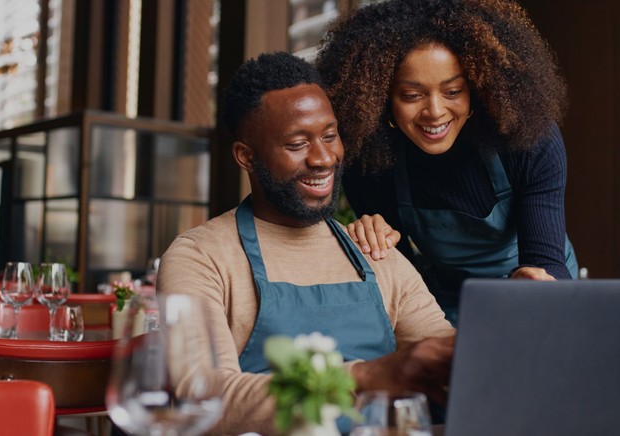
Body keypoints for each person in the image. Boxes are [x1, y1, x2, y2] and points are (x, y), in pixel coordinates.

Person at [156, 52, 454, 435]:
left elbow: (445, 357)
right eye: (298, 144)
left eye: (330, 135)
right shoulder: (199, 257)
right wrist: (365, 376)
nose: (324, 158)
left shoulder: (374, 249)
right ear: (246, 157)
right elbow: (203, 395)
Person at [315, 0, 578, 323]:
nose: (435, 112)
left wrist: (536, 282)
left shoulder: (528, 141)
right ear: (382, 98)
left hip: (535, 294)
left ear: (477, 89)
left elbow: (548, 263)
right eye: (412, 95)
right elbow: (404, 278)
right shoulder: (370, 162)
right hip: (447, 300)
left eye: (453, 91)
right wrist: (374, 243)